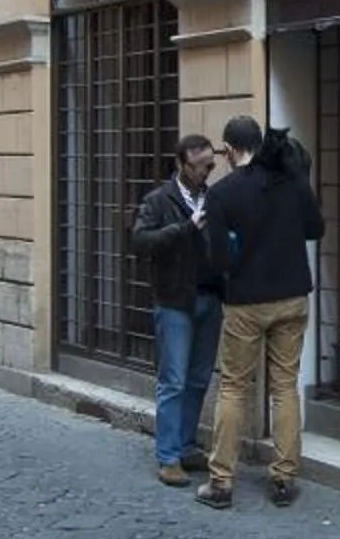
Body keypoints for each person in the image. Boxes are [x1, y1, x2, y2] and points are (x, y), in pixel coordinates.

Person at [197, 115, 324, 511]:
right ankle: (284, 478)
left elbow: (219, 259)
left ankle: (221, 482)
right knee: (284, 386)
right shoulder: (290, 181)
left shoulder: (222, 193)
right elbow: (315, 229)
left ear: (230, 150)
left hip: (246, 300)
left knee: (234, 387)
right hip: (292, 295)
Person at [133, 135, 224, 488]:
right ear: (182, 165)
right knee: (173, 380)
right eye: (200, 166)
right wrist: (185, 229)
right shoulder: (159, 200)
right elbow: (140, 241)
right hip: (174, 301)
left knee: (199, 378)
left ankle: (185, 445)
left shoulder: (213, 198)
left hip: (209, 298)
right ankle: (168, 457)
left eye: (210, 165)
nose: (206, 172)